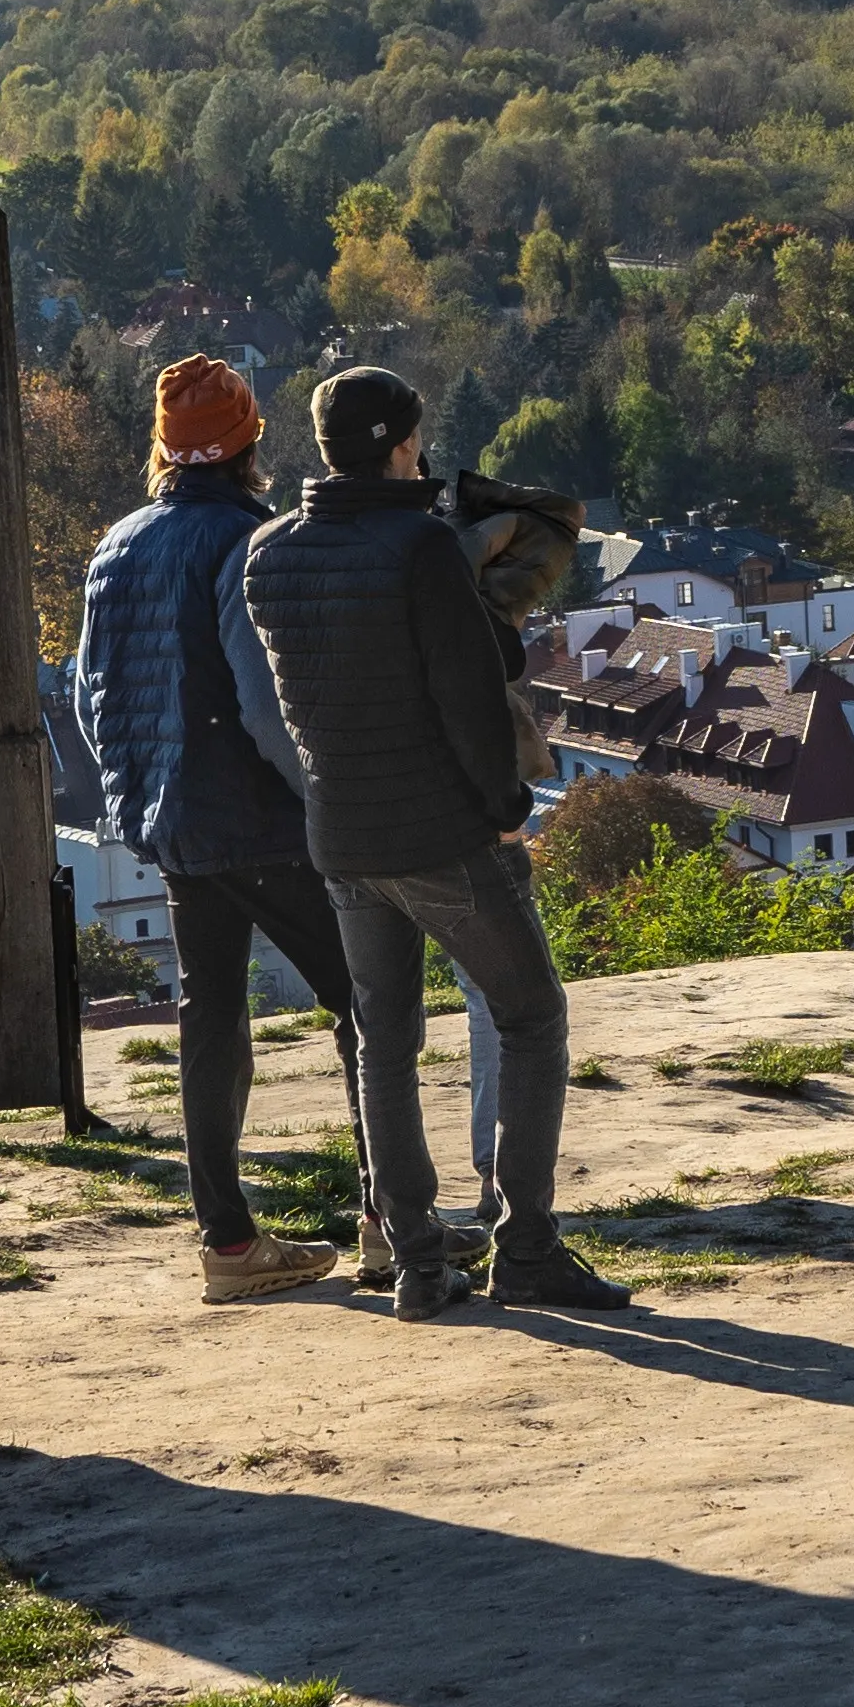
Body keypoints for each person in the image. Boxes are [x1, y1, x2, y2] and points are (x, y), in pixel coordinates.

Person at [238, 365, 627, 1320]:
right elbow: (466, 689)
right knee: (531, 1016)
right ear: (406, 444)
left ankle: (415, 1262)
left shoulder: (266, 555)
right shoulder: (419, 548)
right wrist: (504, 801)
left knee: (385, 1044)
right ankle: (526, 1247)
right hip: (441, 829)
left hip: (340, 829)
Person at [74, 355, 356, 1304]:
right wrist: (320, 795)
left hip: (171, 820)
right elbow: (264, 702)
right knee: (365, 999)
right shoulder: (247, 540)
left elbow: (88, 695)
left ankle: (227, 1241)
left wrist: (139, 787)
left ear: (161, 447)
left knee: (210, 1014)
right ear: (247, 450)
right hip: (259, 817)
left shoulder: (116, 544)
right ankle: (391, 1217)